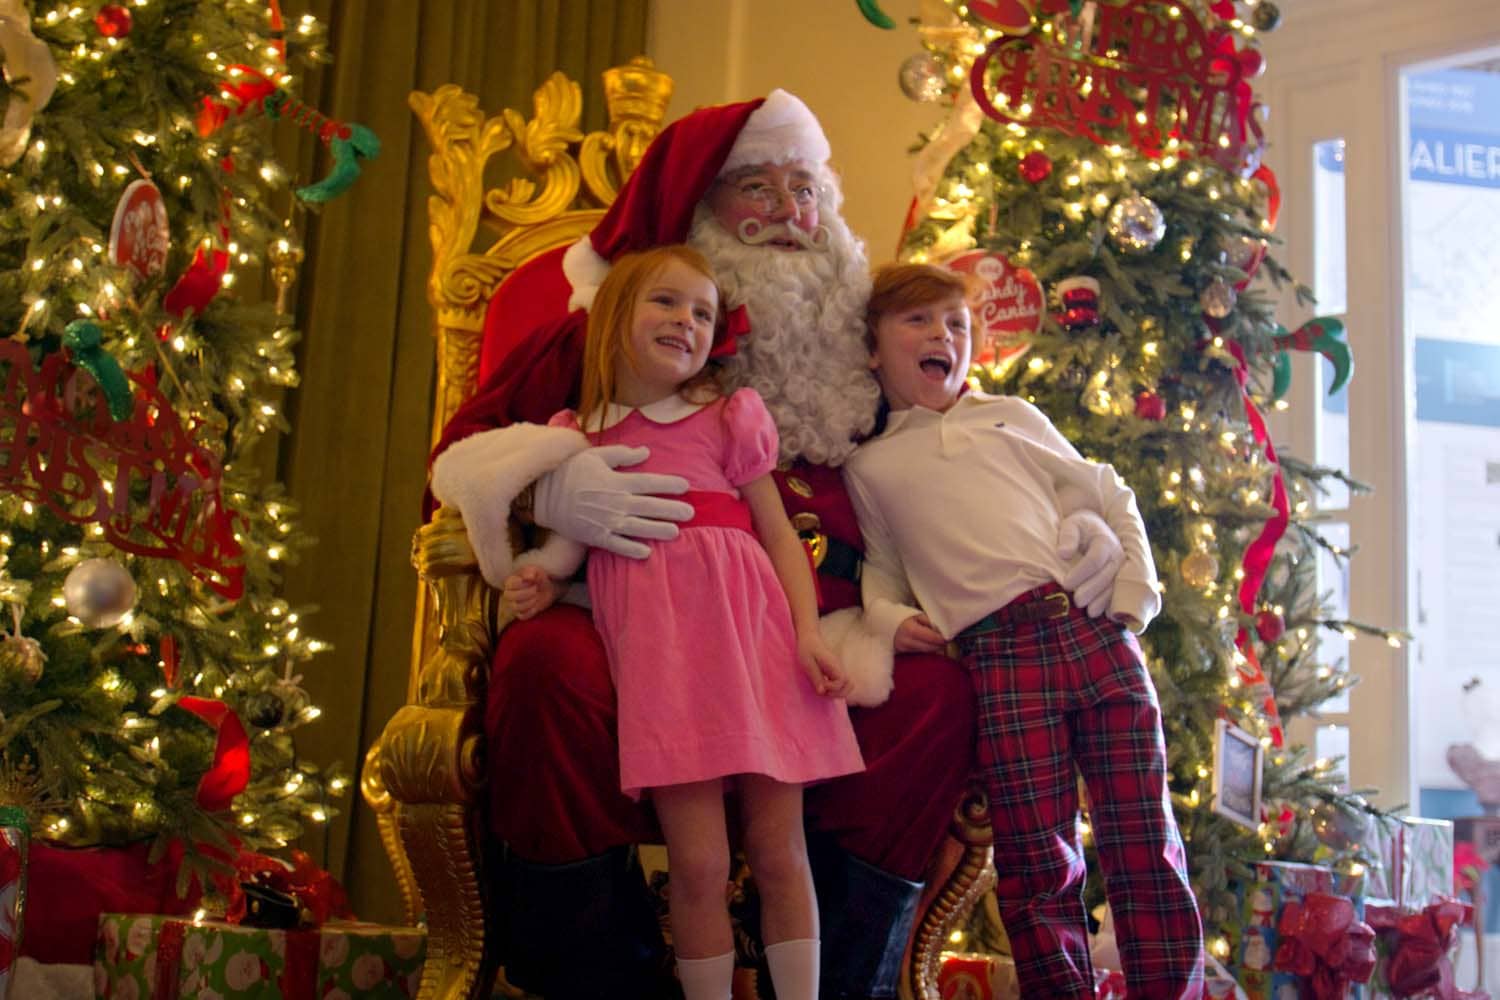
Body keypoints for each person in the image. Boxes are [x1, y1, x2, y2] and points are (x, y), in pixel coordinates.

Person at [428, 90, 1128, 1000]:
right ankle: (600, 974)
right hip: (634, 610)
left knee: (939, 697)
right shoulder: (605, 333)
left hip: (825, 619)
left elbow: (974, 454)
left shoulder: (871, 339)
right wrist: (550, 482)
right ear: (696, 220)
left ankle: (844, 978)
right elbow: (460, 458)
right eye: (753, 187)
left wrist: (1068, 522)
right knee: (542, 672)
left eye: (804, 187)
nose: (790, 213)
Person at [502, 243, 863, 1000]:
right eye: (666, 302)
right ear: (614, 317)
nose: (687, 322)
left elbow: (779, 536)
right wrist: (540, 576)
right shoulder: (578, 436)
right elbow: (566, 545)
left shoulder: (728, 416)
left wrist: (806, 633)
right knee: (697, 863)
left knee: (777, 851)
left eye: (703, 312)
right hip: (666, 667)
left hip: (757, 647)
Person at [842, 264, 1205, 999]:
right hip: (998, 660)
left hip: (1088, 628)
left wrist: (1135, 594)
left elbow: (1106, 491)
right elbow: (881, 567)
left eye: (957, 324)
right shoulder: (871, 467)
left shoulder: (1012, 416)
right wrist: (888, 619)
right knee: (1038, 862)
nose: (943, 334)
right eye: (919, 322)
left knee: (1144, 841)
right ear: (873, 350)